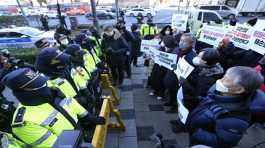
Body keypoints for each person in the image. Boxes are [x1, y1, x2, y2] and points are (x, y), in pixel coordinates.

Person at [2, 68, 105, 147]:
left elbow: (73, 105)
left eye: (42, 82)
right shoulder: (24, 123)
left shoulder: (53, 93)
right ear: (25, 92)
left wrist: (90, 118)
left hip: (81, 132)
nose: (45, 85)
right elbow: (54, 145)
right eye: (39, 84)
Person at [186, 66, 264, 147]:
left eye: (226, 79)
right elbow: (210, 102)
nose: (219, 80)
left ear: (239, 90)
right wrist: (195, 99)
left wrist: (195, 131)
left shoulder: (235, 118)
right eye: (223, 76)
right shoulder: (221, 92)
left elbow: (223, 142)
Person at [164, 33, 197, 113]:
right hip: (172, 76)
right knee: (171, 90)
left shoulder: (192, 56)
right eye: (180, 40)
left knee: (176, 93)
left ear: (191, 43)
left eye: (184, 41)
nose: (181, 43)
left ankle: (175, 107)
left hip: (180, 80)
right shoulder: (178, 50)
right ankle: (170, 102)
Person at [150, 35, 176, 100]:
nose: (162, 42)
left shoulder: (173, 50)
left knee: (161, 80)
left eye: (163, 41)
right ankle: (155, 90)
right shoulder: (161, 48)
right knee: (155, 78)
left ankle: (161, 94)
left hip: (164, 68)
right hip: (158, 66)